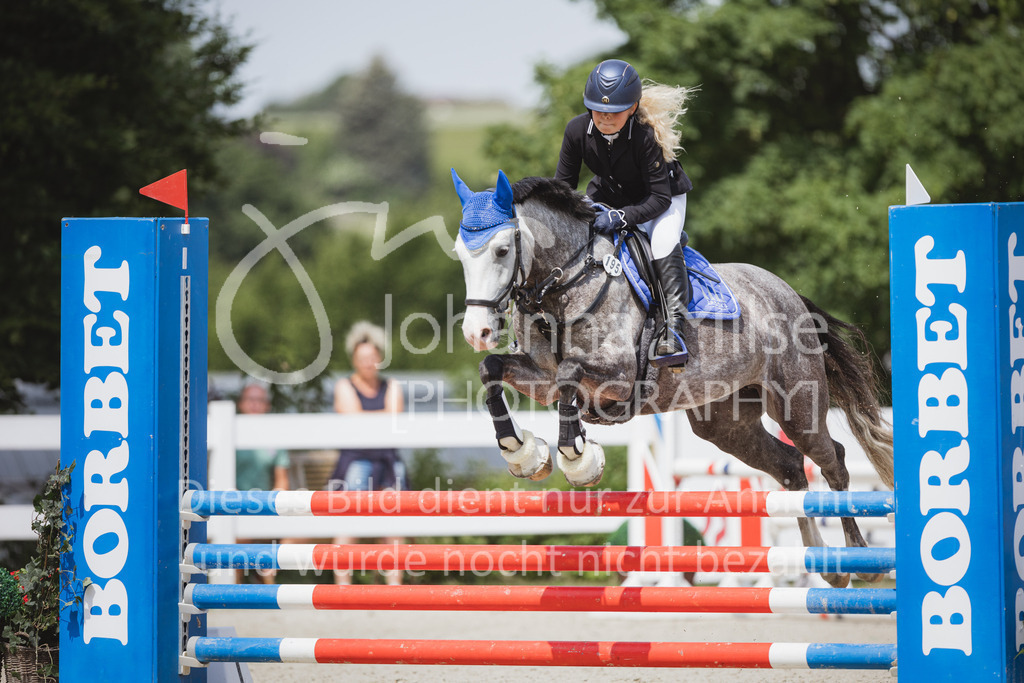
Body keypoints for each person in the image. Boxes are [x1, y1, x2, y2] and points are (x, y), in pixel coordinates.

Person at [555, 58, 695, 368]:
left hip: (661, 201)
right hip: (610, 195)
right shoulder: (577, 130)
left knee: (660, 243)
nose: (605, 118)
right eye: (598, 110)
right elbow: (562, 188)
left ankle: (674, 330)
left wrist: (621, 218)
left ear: (631, 108)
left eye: (614, 112)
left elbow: (658, 197)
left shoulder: (645, 136)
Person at [328, 321, 407, 585]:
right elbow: (357, 419)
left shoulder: (391, 384)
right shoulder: (344, 385)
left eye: (372, 357)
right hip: (357, 460)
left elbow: (393, 417)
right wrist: (382, 417)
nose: (368, 362)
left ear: (380, 359)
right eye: (362, 358)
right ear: (353, 360)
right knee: (349, 519)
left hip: (387, 460)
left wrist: (372, 418)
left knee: (394, 521)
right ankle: (342, 586)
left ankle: (394, 586)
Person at [234, 382, 290, 584]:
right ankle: (234, 589)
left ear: (267, 406)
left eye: (260, 400)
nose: (255, 405)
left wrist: (273, 503)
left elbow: (281, 480)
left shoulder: (274, 436)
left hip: (267, 505)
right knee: (238, 537)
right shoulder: (229, 433)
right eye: (251, 400)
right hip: (234, 505)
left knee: (292, 535)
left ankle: (269, 591)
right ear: (241, 404)